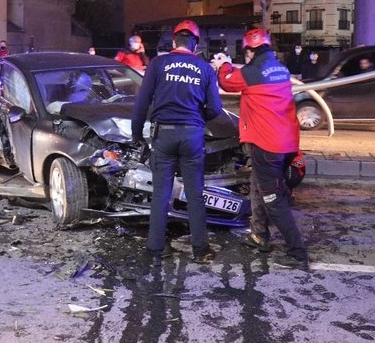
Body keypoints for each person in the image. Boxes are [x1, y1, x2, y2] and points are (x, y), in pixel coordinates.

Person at [212, 28, 309, 270]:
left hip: (267, 145)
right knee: (258, 185)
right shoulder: (280, 68)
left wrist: (223, 64)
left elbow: (227, 81)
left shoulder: (253, 71)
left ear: (250, 51)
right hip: (286, 142)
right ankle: (259, 235)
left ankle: (297, 253)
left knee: (273, 199)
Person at [132, 20, 222, 266]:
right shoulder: (204, 68)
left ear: (174, 42)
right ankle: (201, 250)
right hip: (192, 136)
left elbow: (141, 103)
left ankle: (155, 250)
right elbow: (215, 108)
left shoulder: (158, 64)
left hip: (164, 135)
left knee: (161, 194)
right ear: (195, 45)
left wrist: (136, 134)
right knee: (195, 194)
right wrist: (196, 120)